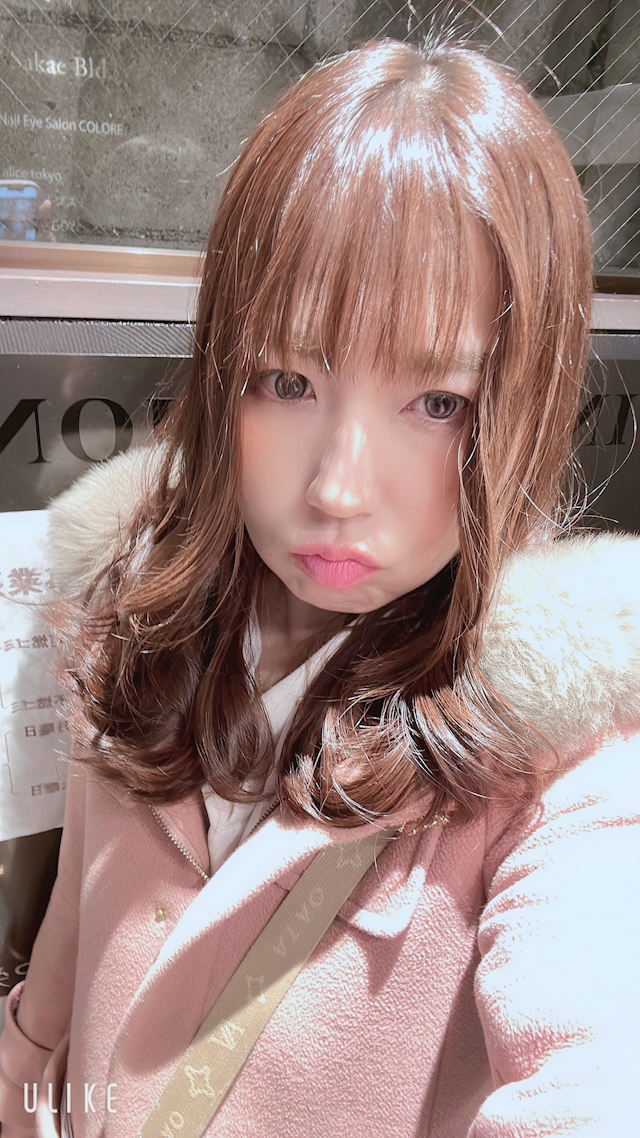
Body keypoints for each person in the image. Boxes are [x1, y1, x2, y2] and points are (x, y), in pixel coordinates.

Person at [1, 35, 639, 1138]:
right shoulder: (130, 604)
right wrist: (23, 1072)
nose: (338, 489)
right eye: (287, 379)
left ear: (522, 407)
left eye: (438, 402)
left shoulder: (563, 760)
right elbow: (75, 931)